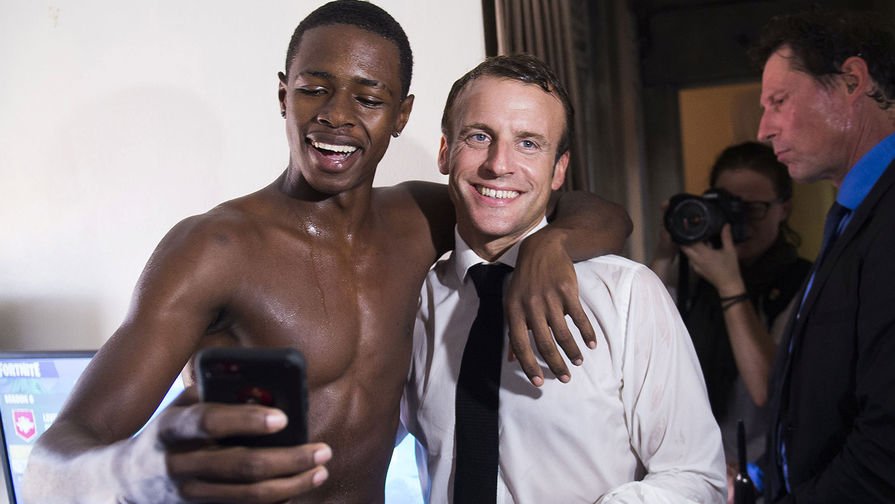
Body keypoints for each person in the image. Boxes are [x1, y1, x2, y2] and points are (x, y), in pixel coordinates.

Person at [22, 2, 631, 503]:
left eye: (368, 99)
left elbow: (603, 214)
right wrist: (144, 470)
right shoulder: (215, 248)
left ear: (402, 114)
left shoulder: (420, 220)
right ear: (283, 95)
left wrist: (549, 244)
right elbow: (50, 465)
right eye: (314, 89)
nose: (336, 116)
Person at [401, 54, 725, 503]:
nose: (499, 164)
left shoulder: (626, 294)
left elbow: (695, 477)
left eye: (528, 144)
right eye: (479, 136)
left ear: (558, 170)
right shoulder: (414, 303)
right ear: (445, 152)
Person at [753, 9, 895, 502]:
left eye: (779, 102)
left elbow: (887, 447)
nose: (764, 129)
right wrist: (757, 477)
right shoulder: (858, 211)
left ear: (852, 81)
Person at [650, 142, 811, 479]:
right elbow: (644, 342)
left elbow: (767, 388)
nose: (739, 220)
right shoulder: (693, 278)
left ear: (784, 209)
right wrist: (665, 253)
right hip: (689, 469)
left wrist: (729, 285)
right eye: (726, 206)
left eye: (753, 208)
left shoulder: (801, 284)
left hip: (765, 475)